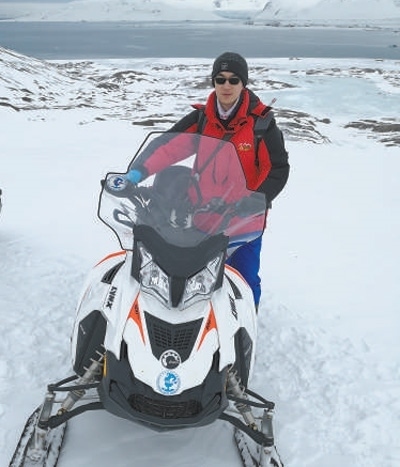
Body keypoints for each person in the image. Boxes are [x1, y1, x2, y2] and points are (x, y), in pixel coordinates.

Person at [127, 52, 289, 310]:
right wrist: (137, 173)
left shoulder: (261, 124)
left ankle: (245, 326)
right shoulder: (203, 119)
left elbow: (278, 169)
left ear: (243, 83)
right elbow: (169, 146)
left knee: (243, 281)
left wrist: (258, 200)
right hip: (202, 217)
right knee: (195, 279)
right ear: (213, 82)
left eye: (234, 79)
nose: (226, 85)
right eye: (220, 79)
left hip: (244, 221)